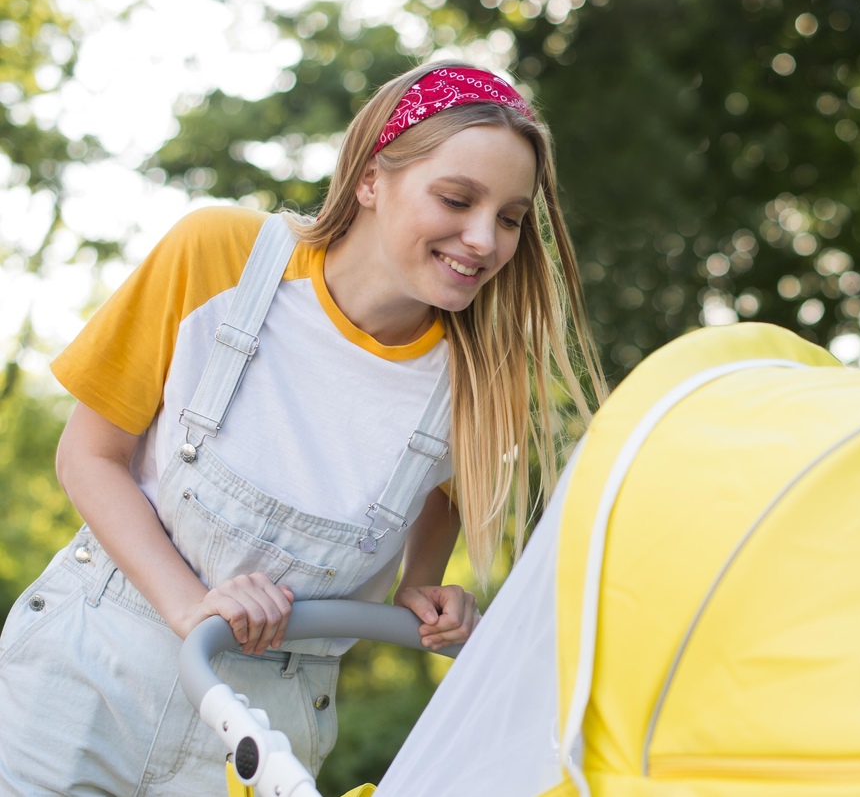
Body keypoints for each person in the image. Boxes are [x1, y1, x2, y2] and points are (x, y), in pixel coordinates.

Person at [0, 60, 606, 795]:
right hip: (88, 670)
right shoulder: (219, 254)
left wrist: (422, 585)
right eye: (456, 198)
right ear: (371, 180)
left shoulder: (479, 376)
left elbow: (443, 490)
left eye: (510, 218)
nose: (484, 239)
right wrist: (193, 608)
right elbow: (89, 455)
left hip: (272, 717)